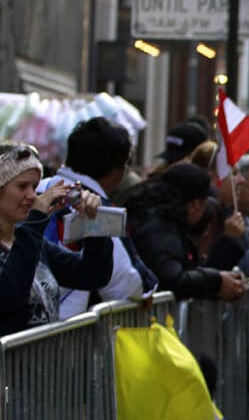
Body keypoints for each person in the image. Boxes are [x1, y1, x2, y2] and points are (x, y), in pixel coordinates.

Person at [37, 117, 158, 319]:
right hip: (56, 330)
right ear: (117, 169)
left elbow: (95, 273)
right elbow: (124, 284)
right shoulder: (96, 208)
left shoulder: (42, 188)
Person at [0, 143, 113, 335]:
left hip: (42, 363)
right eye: (22, 186)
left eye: (35, 187)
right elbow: (10, 297)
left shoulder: (29, 240)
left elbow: (91, 275)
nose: (31, 195)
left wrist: (93, 225)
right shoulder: (29, 236)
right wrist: (36, 221)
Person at [124, 162, 245, 302]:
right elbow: (173, 280)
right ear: (195, 204)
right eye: (205, 203)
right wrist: (216, 281)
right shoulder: (160, 227)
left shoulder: (164, 220)